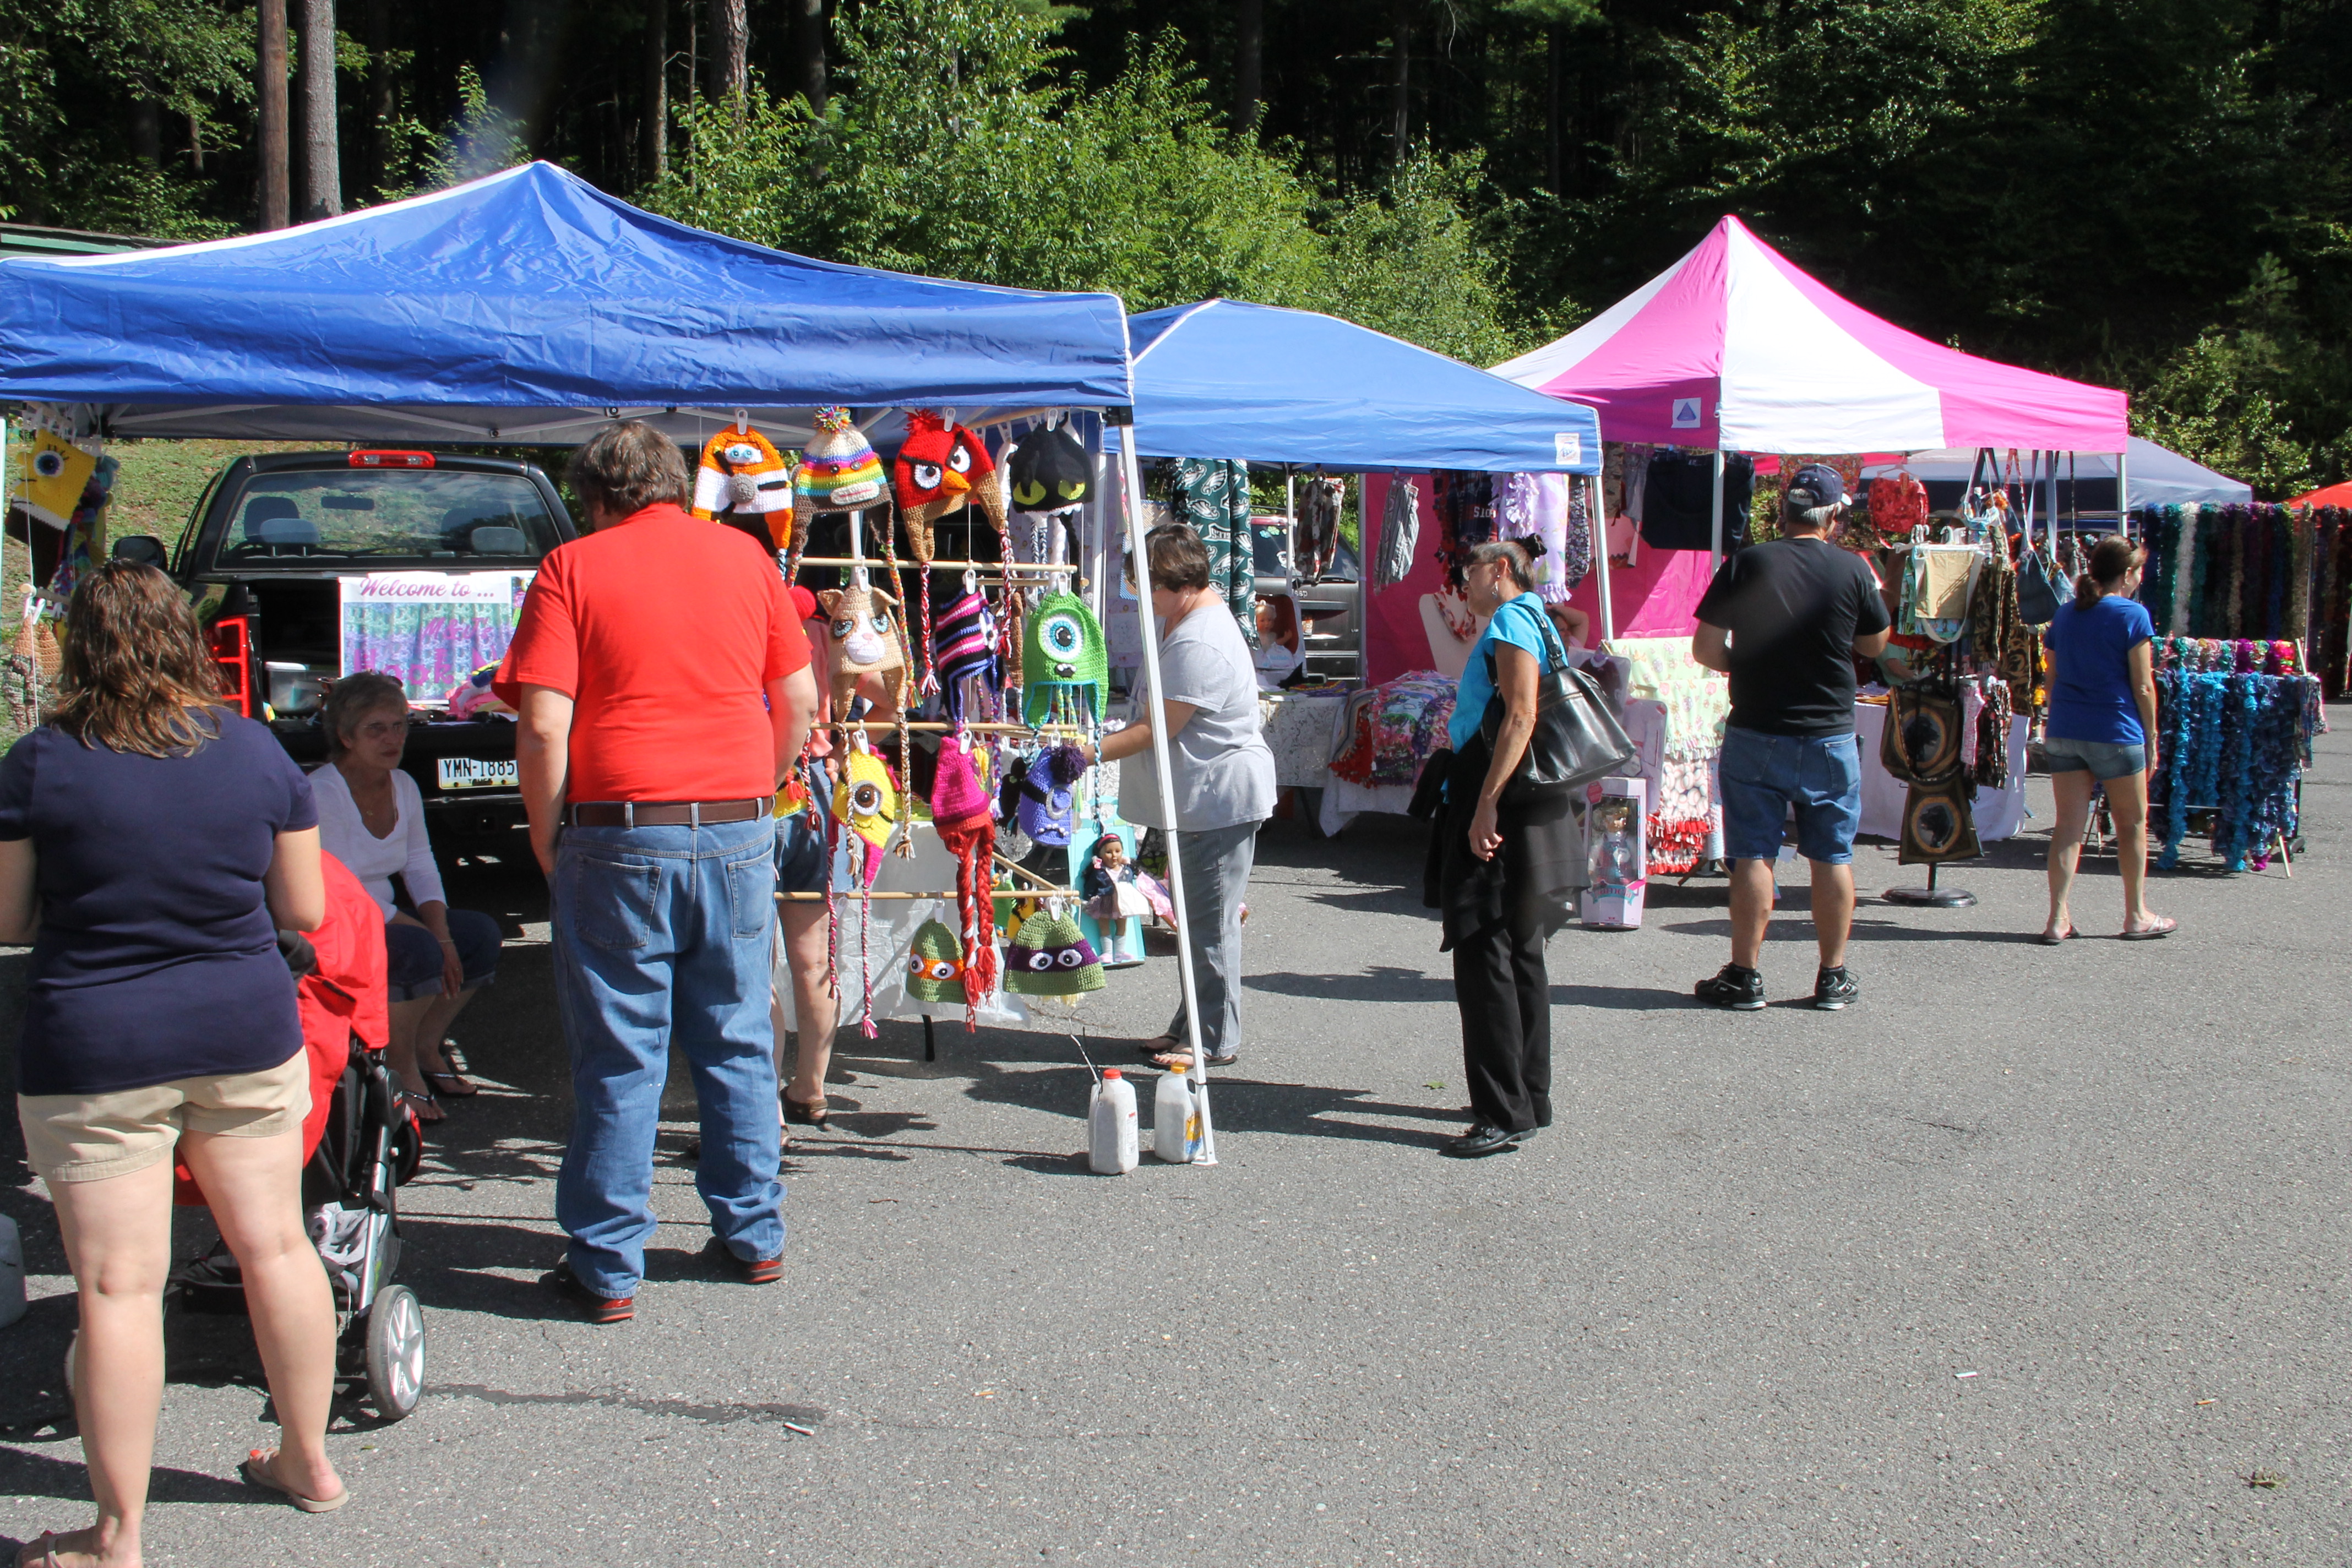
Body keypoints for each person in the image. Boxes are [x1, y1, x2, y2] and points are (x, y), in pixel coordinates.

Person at [4, 561, 347, 1565]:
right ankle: (309, 1462)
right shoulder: (255, 751)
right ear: (185, 640)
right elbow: (306, 910)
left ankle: (117, 1534)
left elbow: (8, 919)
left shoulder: (39, 761)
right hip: (243, 1032)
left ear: (82, 647)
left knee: (117, 1288)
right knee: (276, 1248)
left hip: (96, 1043)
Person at [494, 421, 818, 1325]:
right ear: (677, 486)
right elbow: (798, 700)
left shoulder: (572, 567)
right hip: (736, 824)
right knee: (737, 1032)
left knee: (622, 1051)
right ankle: (753, 1234)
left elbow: (543, 726)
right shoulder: (747, 559)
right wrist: (760, 788)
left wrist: (546, 833)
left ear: (597, 497)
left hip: (619, 829)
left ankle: (607, 1264)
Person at [1690, 464, 1891, 1012]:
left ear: (1785, 510)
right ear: (1833, 515)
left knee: (1753, 854)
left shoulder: (1748, 563)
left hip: (1757, 727)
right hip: (1829, 733)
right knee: (1832, 855)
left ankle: (1745, 975)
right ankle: (1833, 976)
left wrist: (1745, 665)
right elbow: (1875, 645)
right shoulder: (1853, 569)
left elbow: (1705, 648)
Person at [1417, 538, 1585, 1158]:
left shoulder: (1514, 618)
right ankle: (1527, 1097)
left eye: (1470, 571)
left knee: (1484, 950)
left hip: (1499, 794)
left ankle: (1502, 1110)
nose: (1464, 583)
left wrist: (1485, 802)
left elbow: (1520, 715)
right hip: (1526, 797)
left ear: (1501, 569)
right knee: (1519, 950)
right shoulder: (1538, 616)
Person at [1095, 523, 1276, 1070]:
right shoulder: (1186, 617)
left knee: (1209, 927)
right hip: (1203, 798)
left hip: (1216, 800)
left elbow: (1157, 728)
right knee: (1198, 923)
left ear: (1175, 582)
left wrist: (1086, 753)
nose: (1140, 597)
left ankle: (1213, 1039)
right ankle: (1189, 1026)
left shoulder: (1199, 638)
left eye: (1145, 586)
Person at [309, 671, 502, 1123]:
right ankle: (399, 1066)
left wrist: (444, 934)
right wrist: (431, 938)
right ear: (346, 736)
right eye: (376, 729)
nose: (393, 738)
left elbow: (419, 863)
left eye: (399, 726)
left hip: (384, 914)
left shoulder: (403, 785)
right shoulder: (322, 791)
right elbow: (342, 886)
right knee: (420, 949)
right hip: (339, 921)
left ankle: (425, 1046)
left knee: (478, 935)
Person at [2040, 535, 2173, 943]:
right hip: (2116, 729)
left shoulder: (2065, 614)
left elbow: (2051, 678)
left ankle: (2057, 919)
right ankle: (2136, 914)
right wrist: (2152, 736)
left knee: (2067, 826)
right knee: (2132, 824)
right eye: (2139, 571)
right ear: (2128, 573)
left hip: (2066, 728)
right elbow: (2143, 685)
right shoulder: (2133, 615)